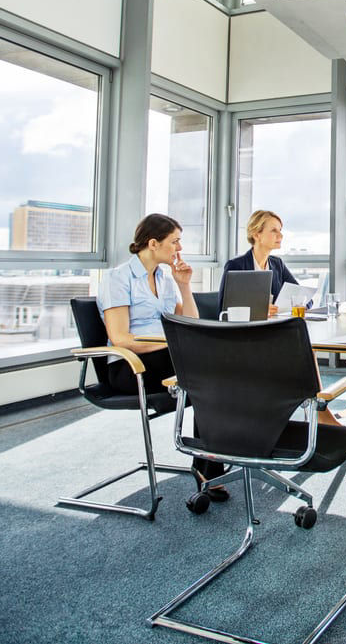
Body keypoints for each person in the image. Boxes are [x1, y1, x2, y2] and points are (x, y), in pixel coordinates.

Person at [97, 213, 226, 498]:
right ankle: (210, 465)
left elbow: (190, 322)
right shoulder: (118, 279)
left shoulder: (166, 280)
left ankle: (211, 462)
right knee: (210, 371)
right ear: (153, 243)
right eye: (175, 242)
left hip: (166, 360)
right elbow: (120, 338)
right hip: (130, 369)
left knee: (215, 374)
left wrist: (183, 284)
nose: (179, 249)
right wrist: (173, 342)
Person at [217, 210, 307, 317]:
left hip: (274, 326)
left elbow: (302, 296)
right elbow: (224, 308)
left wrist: (303, 303)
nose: (280, 235)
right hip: (246, 330)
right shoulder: (236, 266)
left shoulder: (278, 264)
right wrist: (258, 309)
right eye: (274, 230)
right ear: (256, 235)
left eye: (280, 230)